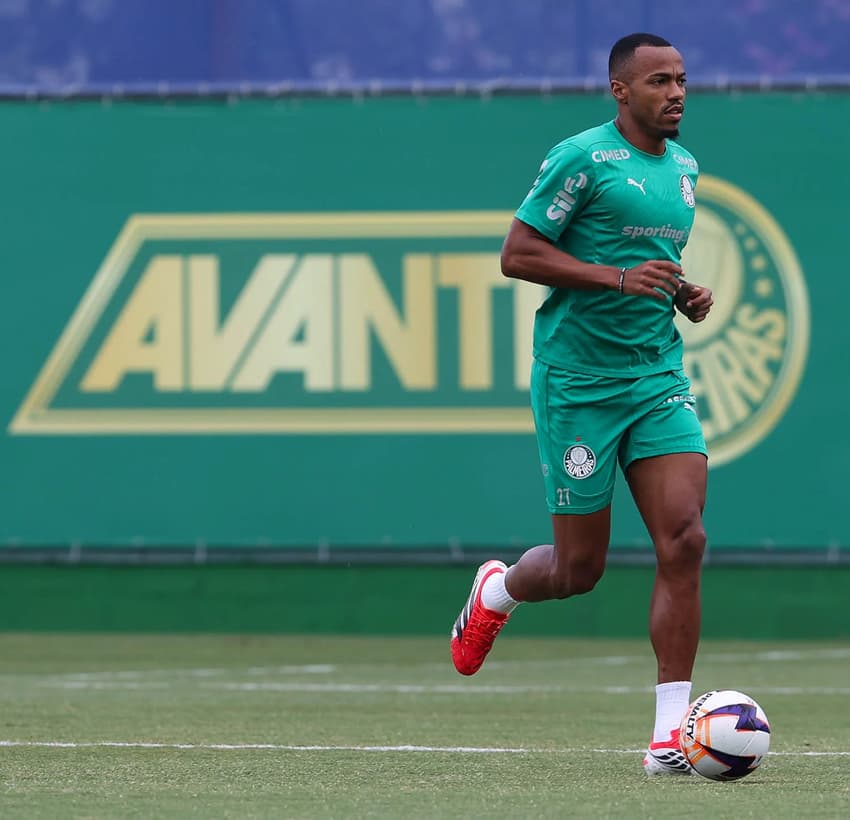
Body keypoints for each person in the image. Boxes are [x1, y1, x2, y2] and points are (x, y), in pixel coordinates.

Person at [449, 32, 714, 776]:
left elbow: (646, 265)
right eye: (659, 81)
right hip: (577, 384)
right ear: (620, 92)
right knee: (578, 570)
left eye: (683, 79)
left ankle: (670, 738)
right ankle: (498, 589)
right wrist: (617, 278)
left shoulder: (688, 169)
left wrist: (679, 293)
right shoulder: (582, 158)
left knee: (685, 539)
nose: (676, 92)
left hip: (655, 377)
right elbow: (518, 253)